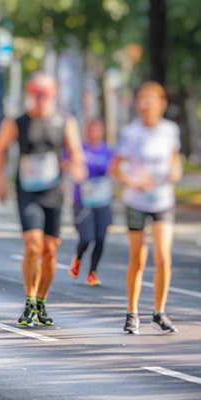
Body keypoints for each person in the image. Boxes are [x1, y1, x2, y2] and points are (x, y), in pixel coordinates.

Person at [0, 73, 86, 327]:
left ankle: (41, 301)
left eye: (44, 94)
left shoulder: (65, 121)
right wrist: (0, 181)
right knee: (33, 245)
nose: (40, 99)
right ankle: (29, 300)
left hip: (53, 192)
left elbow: (76, 153)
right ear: (29, 94)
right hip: (27, 191)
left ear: (53, 95)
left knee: (50, 249)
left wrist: (75, 166)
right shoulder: (17, 122)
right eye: (36, 94)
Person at [109, 81, 183, 334]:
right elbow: (116, 168)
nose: (146, 104)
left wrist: (175, 172)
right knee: (137, 258)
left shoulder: (170, 130)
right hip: (136, 201)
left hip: (163, 200)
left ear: (162, 103)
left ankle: (159, 312)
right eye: (142, 99)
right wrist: (133, 181)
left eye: (151, 99)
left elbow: (175, 161)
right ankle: (132, 313)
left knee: (163, 256)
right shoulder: (131, 132)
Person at [68, 119, 114, 287]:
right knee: (86, 238)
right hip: (83, 201)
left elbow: (116, 167)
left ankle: (92, 272)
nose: (94, 133)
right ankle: (78, 258)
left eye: (97, 130)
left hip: (102, 199)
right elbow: (66, 163)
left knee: (101, 237)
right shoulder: (79, 149)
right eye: (91, 130)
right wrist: (75, 168)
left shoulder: (108, 151)